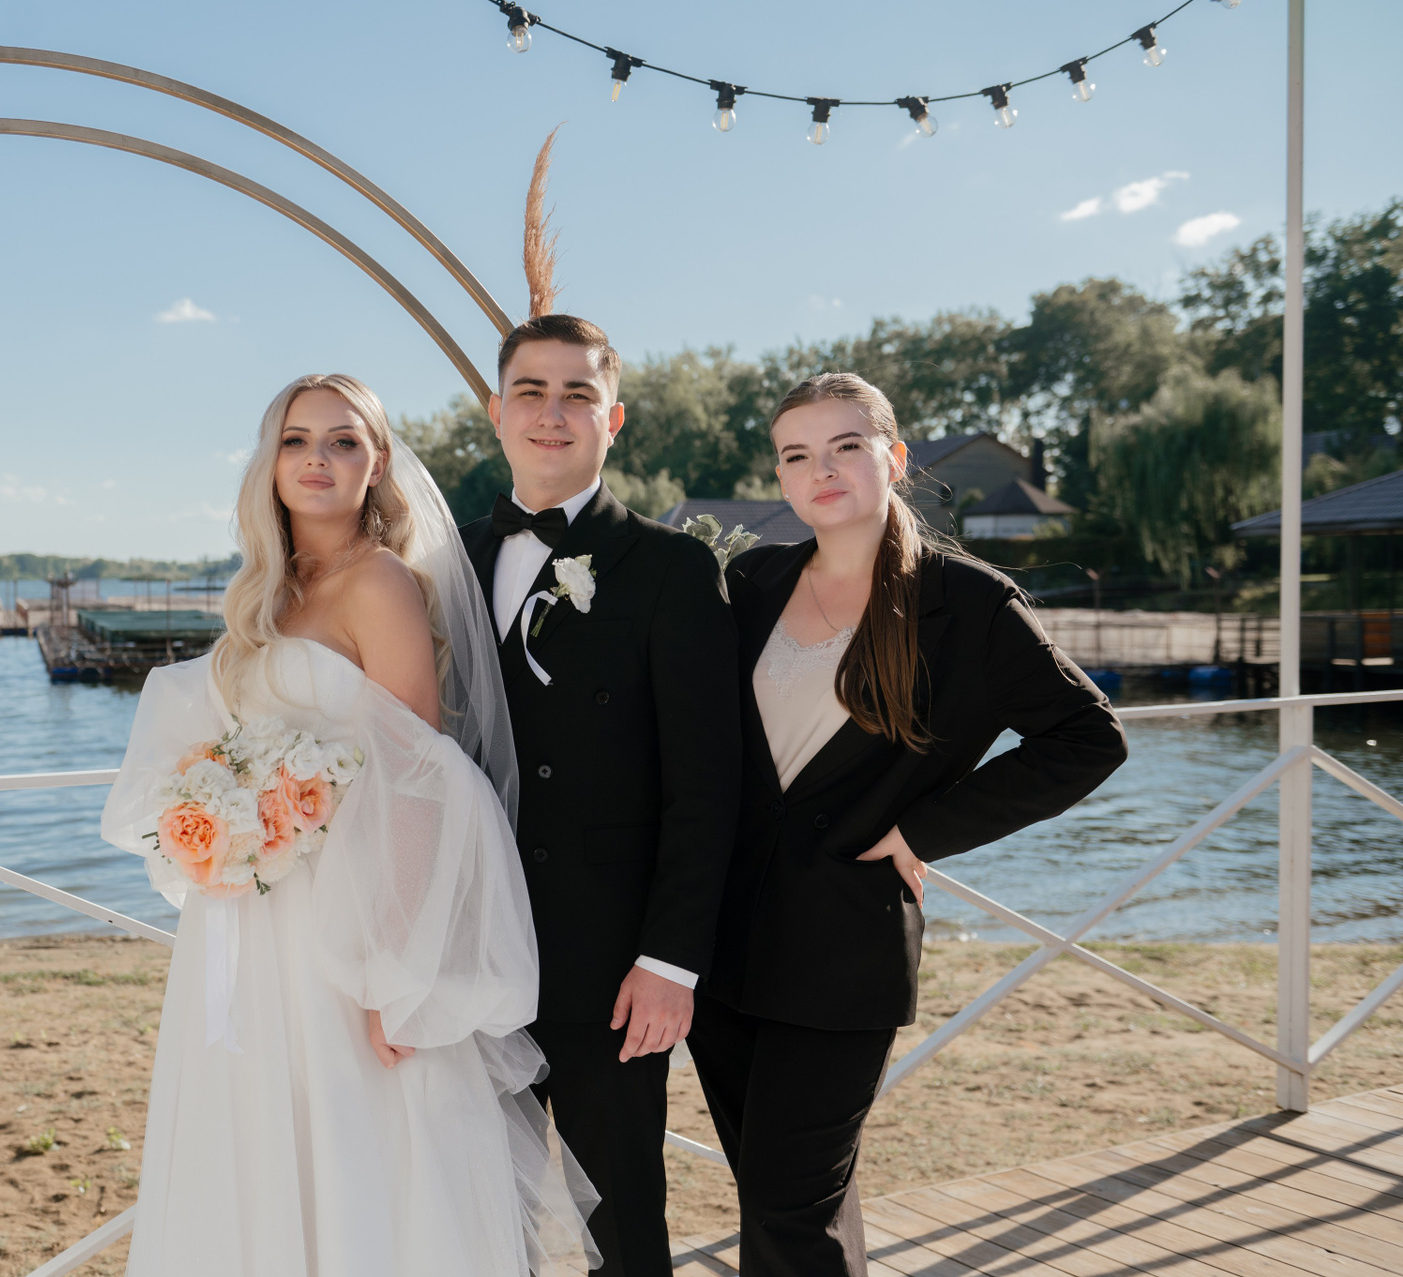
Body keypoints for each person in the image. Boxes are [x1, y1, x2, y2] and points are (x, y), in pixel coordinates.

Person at [101, 373, 598, 1276]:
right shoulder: (264, 592)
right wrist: (217, 807)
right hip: (253, 919)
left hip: (350, 922)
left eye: (343, 441)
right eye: (296, 441)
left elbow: (421, 782)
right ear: (270, 462)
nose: (317, 459)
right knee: (257, 1132)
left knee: (357, 1139)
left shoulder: (381, 583)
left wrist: (397, 967)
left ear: (377, 463)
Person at [688, 372, 1129, 1277]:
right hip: (725, 943)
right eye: (797, 455)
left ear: (893, 458)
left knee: (786, 1208)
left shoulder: (967, 602)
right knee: (786, 1195)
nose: (822, 470)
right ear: (780, 477)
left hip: (842, 947)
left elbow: (1089, 738)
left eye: (846, 447)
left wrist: (923, 830)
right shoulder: (753, 581)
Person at [456, 136, 741, 1275]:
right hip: (467, 953)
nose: (553, 411)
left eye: (580, 393)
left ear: (613, 420)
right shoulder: (439, 562)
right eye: (531, 390)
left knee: (623, 1225)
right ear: (495, 410)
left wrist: (672, 959)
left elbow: (708, 781)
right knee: (472, 1216)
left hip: (614, 967)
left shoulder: (673, 570)